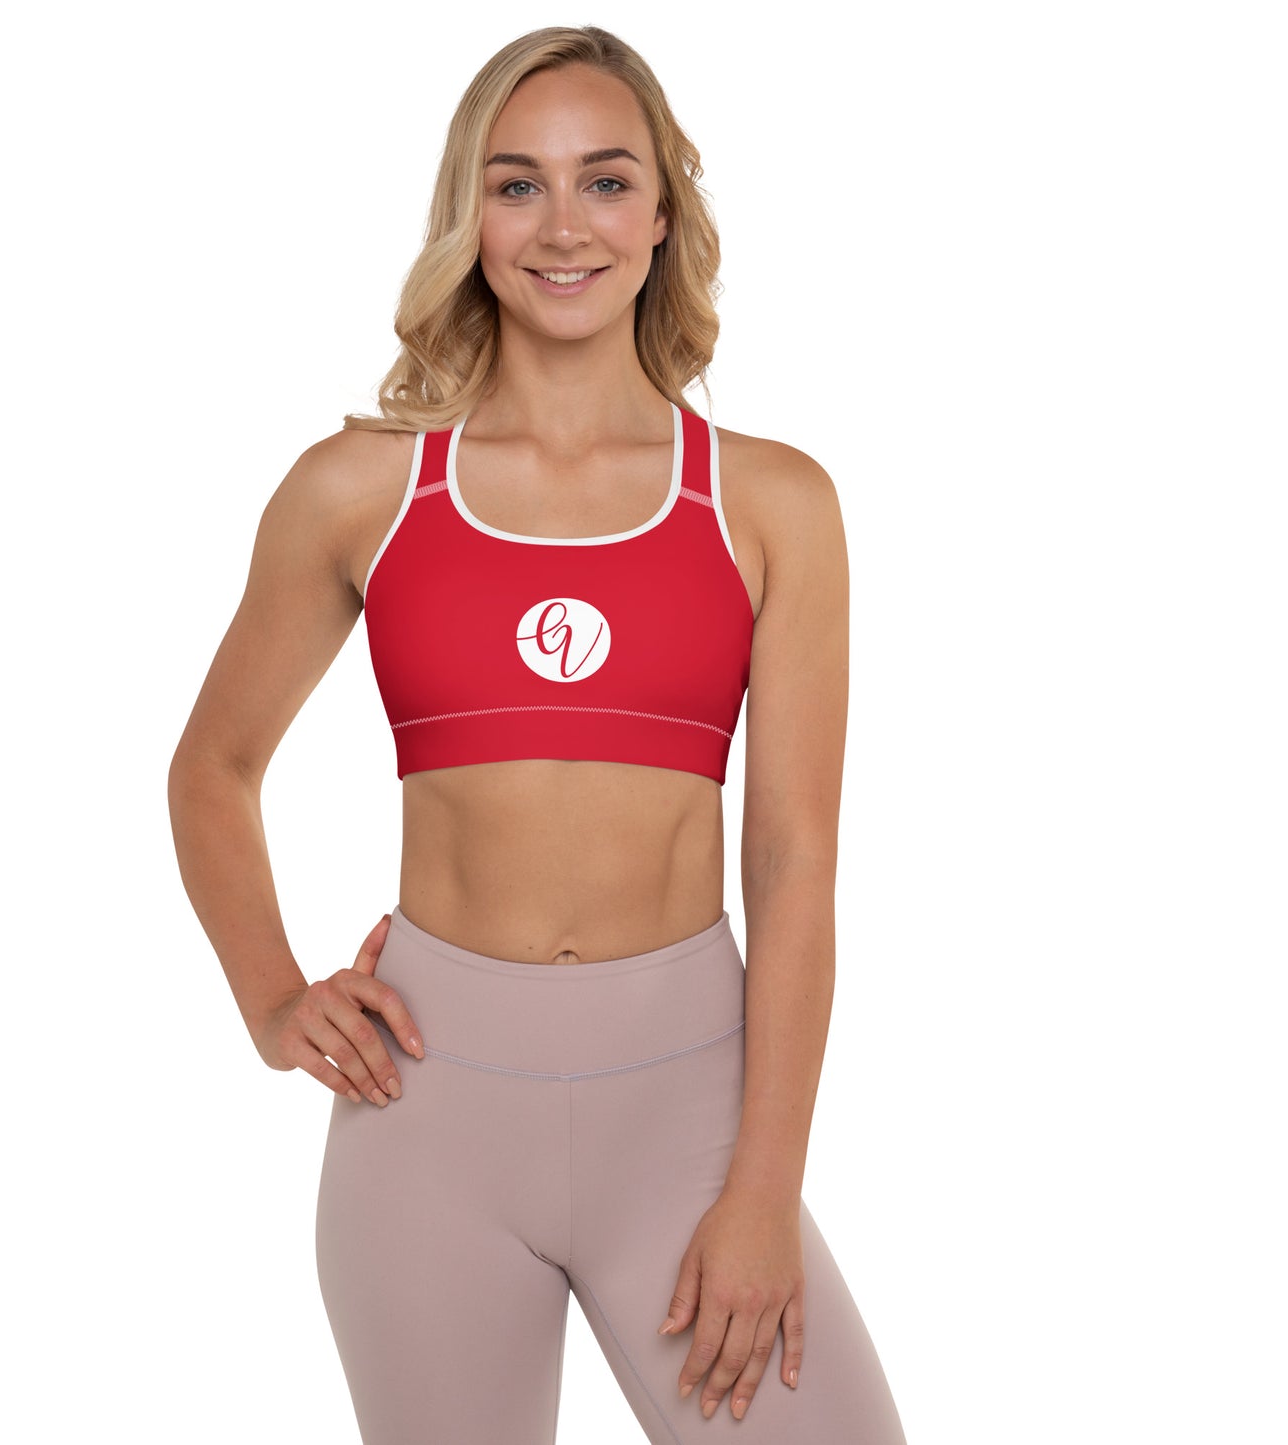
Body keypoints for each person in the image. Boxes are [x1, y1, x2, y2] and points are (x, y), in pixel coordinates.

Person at [168, 23, 908, 1445]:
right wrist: (271, 1001)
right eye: (518, 185)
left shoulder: (769, 504)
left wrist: (763, 1189)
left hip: (690, 1116)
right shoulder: (359, 491)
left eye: (605, 181)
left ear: (663, 214)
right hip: (428, 1119)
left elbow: (793, 862)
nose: (564, 225)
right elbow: (214, 766)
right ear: (470, 215)